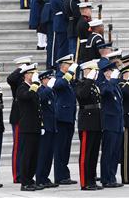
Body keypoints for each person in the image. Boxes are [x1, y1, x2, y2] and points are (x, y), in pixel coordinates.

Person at [75, 60, 103, 191]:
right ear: (87, 71)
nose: (96, 73)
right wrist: (88, 80)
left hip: (96, 122)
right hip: (87, 122)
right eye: (93, 71)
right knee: (86, 154)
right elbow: (82, 96)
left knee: (93, 154)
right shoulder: (81, 83)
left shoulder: (93, 85)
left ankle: (91, 179)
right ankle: (85, 182)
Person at [14, 63, 41, 192]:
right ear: (26, 75)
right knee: (26, 155)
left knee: (34, 155)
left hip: (35, 126)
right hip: (27, 127)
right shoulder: (22, 88)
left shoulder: (34, 88)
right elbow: (27, 96)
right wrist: (35, 85)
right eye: (31, 73)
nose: (33, 76)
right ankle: (24, 182)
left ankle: (30, 179)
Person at [52, 55, 78, 186]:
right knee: (60, 148)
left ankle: (64, 174)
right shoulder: (57, 77)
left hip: (69, 117)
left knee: (66, 148)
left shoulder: (68, 79)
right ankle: (59, 176)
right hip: (61, 118)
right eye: (69, 64)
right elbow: (59, 85)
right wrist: (70, 73)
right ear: (63, 65)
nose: (71, 67)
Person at [97, 59, 123, 188]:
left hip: (117, 123)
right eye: (110, 71)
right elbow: (104, 92)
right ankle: (106, 178)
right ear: (106, 73)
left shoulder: (115, 85)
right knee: (108, 152)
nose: (113, 73)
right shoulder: (103, 84)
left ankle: (112, 177)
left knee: (115, 153)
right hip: (109, 123)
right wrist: (112, 80)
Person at [35, 70, 58, 189]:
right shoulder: (40, 90)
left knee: (49, 155)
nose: (51, 81)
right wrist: (48, 87)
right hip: (44, 126)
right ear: (43, 79)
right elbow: (41, 99)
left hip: (52, 126)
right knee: (43, 154)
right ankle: (39, 178)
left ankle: (45, 177)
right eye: (49, 79)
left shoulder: (51, 91)